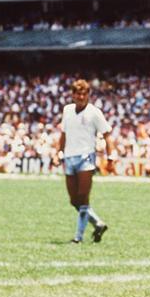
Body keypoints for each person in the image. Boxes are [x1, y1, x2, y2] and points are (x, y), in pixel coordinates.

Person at [52, 79, 115, 244]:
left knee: (83, 196)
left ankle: (78, 237)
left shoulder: (94, 112)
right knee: (74, 200)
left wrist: (110, 157)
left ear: (88, 95)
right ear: (72, 95)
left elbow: (107, 134)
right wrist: (59, 151)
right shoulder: (67, 110)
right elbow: (63, 133)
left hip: (86, 157)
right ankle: (98, 223)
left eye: (84, 94)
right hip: (69, 157)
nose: (81, 97)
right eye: (77, 93)